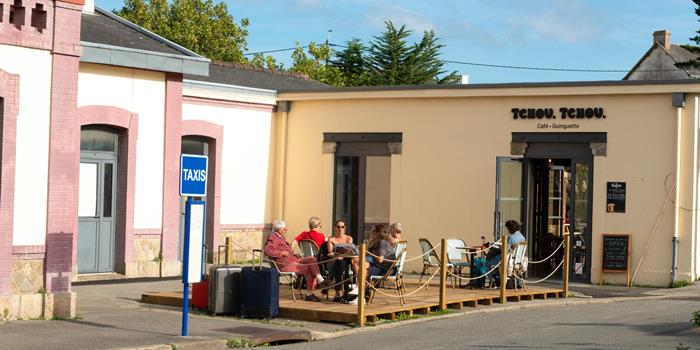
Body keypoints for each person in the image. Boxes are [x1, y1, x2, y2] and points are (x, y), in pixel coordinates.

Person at [264, 220, 332, 301]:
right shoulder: (273, 238)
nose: (287, 230)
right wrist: (281, 253)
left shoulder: (279, 237)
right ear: (280, 229)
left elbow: (291, 245)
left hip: (292, 261)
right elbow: (267, 251)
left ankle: (320, 279)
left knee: (312, 259)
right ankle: (310, 294)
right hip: (285, 265)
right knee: (309, 269)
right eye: (285, 229)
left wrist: (294, 255)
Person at [486, 220, 525, 287]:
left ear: (510, 228)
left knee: (486, 263)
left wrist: (499, 247)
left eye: (507, 229)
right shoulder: (522, 237)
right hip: (518, 260)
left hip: (507, 260)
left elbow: (505, 250)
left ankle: (492, 280)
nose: (508, 231)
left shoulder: (511, 237)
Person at [326, 220, 357, 301]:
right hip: (334, 260)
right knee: (339, 263)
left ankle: (336, 290)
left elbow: (349, 251)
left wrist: (340, 256)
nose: (340, 229)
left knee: (341, 264)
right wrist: (339, 256)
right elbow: (330, 253)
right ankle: (344, 292)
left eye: (342, 227)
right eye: (338, 227)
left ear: (345, 228)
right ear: (335, 228)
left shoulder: (349, 238)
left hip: (346, 260)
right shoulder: (331, 239)